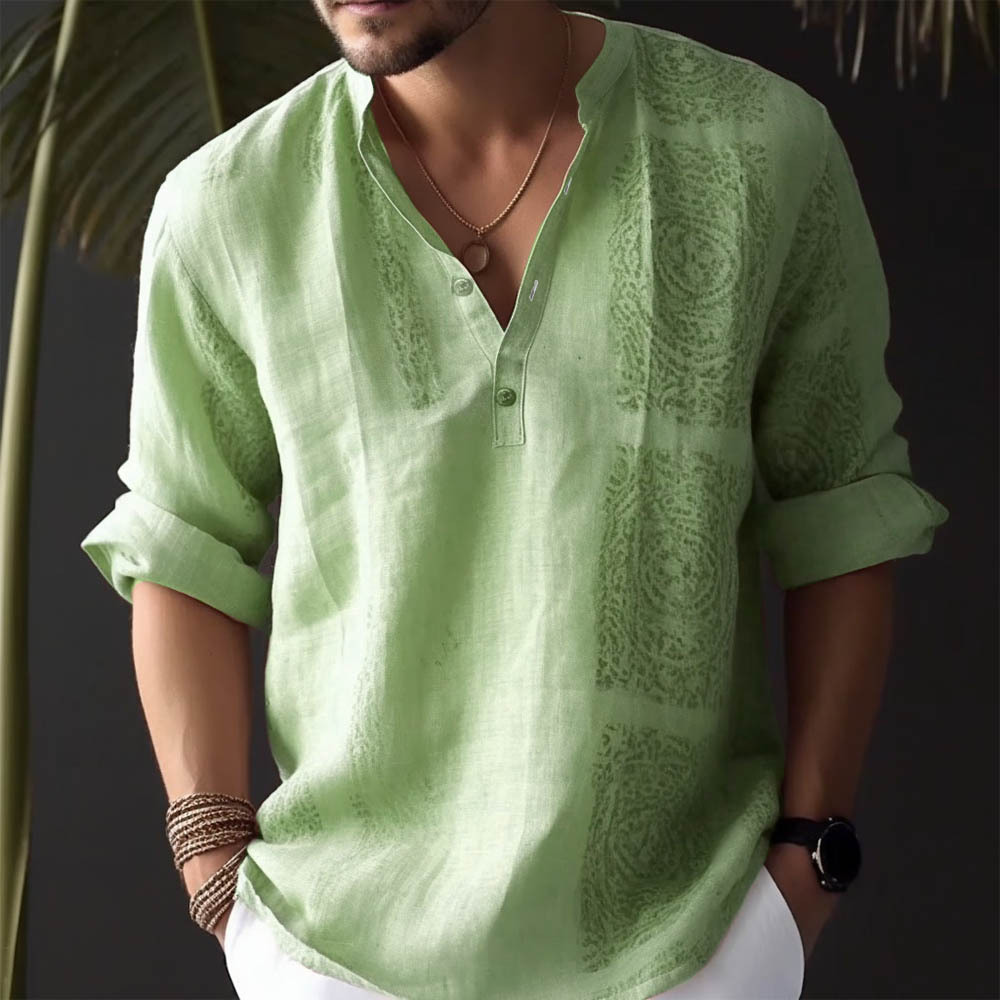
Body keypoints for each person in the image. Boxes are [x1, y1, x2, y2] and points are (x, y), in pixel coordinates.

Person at [79, 1, 950, 998]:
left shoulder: (760, 150)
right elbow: (183, 544)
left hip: (689, 947)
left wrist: (803, 873)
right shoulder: (230, 204)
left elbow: (842, 505)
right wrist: (221, 887)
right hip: (334, 955)